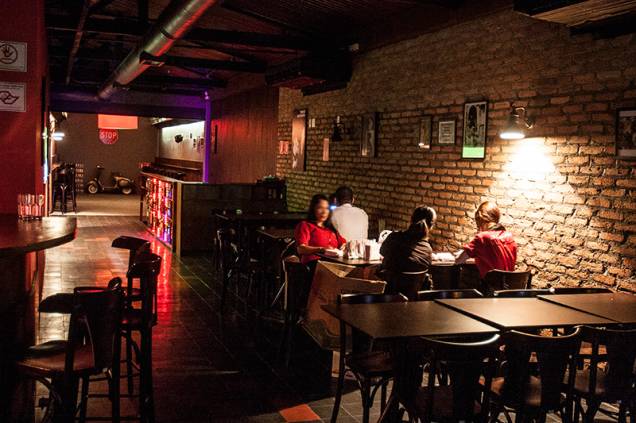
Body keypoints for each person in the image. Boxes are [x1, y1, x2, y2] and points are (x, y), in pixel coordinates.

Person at [455, 201, 517, 278]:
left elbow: (458, 260)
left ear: (480, 218)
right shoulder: (509, 236)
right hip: (510, 284)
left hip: (490, 284)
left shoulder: (482, 238)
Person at [295, 194, 346, 272]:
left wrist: (343, 246)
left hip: (333, 264)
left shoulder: (331, 228)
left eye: (327, 208)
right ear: (313, 209)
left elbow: (343, 243)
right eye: (320, 208)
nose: (324, 212)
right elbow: (301, 249)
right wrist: (321, 249)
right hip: (313, 265)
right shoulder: (305, 225)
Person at [380, 206, 436, 273]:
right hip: (416, 280)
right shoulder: (427, 249)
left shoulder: (394, 238)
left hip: (390, 279)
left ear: (411, 220)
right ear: (431, 226)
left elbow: (382, 252)